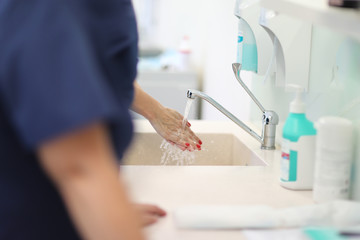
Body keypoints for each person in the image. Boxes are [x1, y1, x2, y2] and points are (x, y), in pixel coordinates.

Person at [0, 0, 200, 239]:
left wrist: (107, 208)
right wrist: (101, 206)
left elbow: (84, 71)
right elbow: (79, 167)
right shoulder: (48, 9)